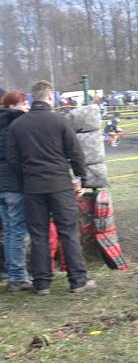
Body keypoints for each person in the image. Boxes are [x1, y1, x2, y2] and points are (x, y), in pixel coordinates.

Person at [6, 80, 95, 295]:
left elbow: (12, 158)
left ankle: (42, 283)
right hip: (59, 185)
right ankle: (77, 281)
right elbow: (75, 153)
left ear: (31, 98)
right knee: (68, 232)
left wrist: (27, 175)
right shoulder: (60, 121)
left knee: (39, 235)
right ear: (49, 97)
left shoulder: (17, 125)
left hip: (33, 186)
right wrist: (81, 178)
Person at [0, 90, 31, 291]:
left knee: (9, 230)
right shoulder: (18, 124)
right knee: (17, 230)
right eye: (23, 102)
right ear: (13, 105)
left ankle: (13, 273)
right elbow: (18, 156)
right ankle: (18, 276)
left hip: (1, 185)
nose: (26, 105)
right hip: (14, 184)